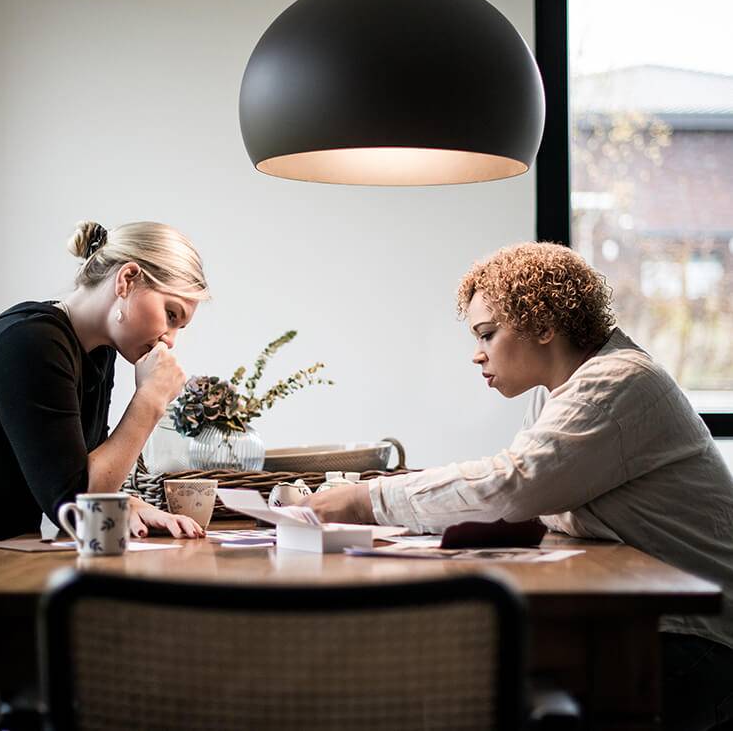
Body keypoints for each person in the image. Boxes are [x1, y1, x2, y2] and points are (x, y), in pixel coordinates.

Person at [305, 241, 733, 731]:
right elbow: (516, 489)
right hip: (648, 619)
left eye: (487, 334)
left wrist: (368, 501)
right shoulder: (559, 393)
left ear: (545, 325)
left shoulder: (619, 381)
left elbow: (512, 486)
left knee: (471, 671)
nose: (476, 354)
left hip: (693, 638)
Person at [0, 220, 209, 556]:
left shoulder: (97, 354)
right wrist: (150, 400)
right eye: (171, 314)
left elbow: (86, 472)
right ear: (127, 280)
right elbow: (77, 507)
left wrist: (129, 503)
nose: (170, 341)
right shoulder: (33, 343)